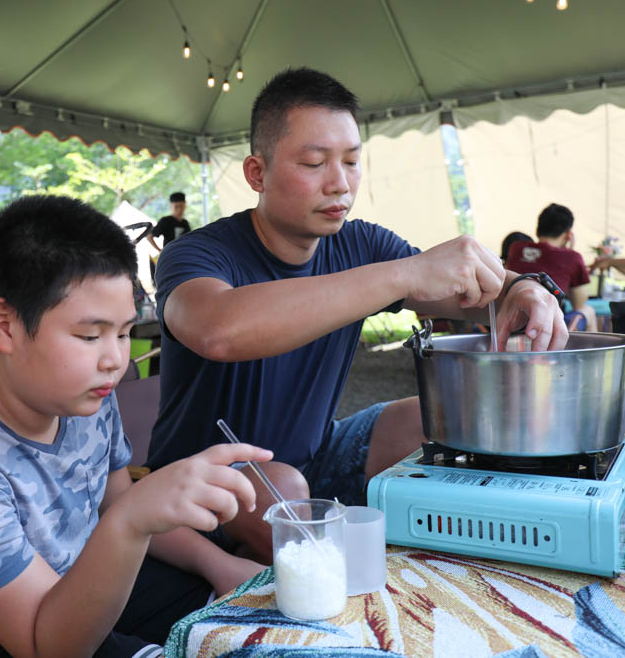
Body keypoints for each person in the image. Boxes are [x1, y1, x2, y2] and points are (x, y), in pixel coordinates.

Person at [145, 67, 567, 564]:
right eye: (314, 163)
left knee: (444, 412)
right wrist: (400, 276)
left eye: (351, 161)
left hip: (322, 450)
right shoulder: (198, 254)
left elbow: (473, 292)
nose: (339, 183)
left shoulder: (362, 244)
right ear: (257, 173)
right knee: (282, 483)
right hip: (205, 485)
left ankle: (504, 536)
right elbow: (218, 330)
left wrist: (523, 288)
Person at [0, 195, 269, 658]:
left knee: (238, 610)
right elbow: (47, 646)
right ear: (3, 325)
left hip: (70, 586)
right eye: (90, 336)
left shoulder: (84, 393)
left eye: (124, 332)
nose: (115, 360)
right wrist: (132, 522)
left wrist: (220, 565)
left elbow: (115, 504)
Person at [505, 204, 597, 331]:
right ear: (568, 235)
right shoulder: (572, 257)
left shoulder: (516, 248)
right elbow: (579, 304)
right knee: (589, 310)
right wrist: (569, 252)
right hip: (550, 327)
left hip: (512, 324)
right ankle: (587, 351)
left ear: (537, 230)